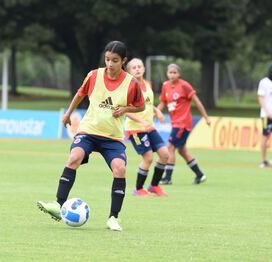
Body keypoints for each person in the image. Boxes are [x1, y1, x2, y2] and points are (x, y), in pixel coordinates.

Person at [37, 41, 145, 231]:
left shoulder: (131, 83)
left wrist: (126, 108)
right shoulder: (94, 75)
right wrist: (68, 114)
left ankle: (113, 217)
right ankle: (58, 204)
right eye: (107, 59)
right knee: (74, 157)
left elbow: (141, 105)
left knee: (119, 169)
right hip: (88, 131)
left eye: (115, 60)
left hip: (113, 137)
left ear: (123, 61)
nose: (110, 64)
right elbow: (80, 94)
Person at [157, 63, 210, 185]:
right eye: (170, 72)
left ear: (179, 74)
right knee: (182, 151)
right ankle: (200, 175)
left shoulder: (184, 86)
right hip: (175, 123)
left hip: (183, 123)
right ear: (167, 73)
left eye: (175, 72)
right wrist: (156, 112)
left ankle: (168, 178)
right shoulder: (165, 86)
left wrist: (206, 117)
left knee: (170, 147)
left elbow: (197, 101)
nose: (172, 75)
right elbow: (162, 103)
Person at [124, 58, 169, 197]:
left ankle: (154, 186)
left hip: (149, 127)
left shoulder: (147, 84)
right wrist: (142, 122)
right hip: (136, 129)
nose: (137, 69)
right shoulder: (129, 87)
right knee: (148, 157)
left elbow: (148, 104)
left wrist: (158, 111)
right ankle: (138, 189)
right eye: (134, 67)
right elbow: (125, 110)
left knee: (165, 154)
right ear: (129, 71)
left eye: (139, 66)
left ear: (144, 69)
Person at [257, 63, 272, 168]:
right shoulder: (264, 82)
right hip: (266, 115)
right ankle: (263, 160)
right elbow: (261, 98)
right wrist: (268, 112)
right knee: (265, 136)